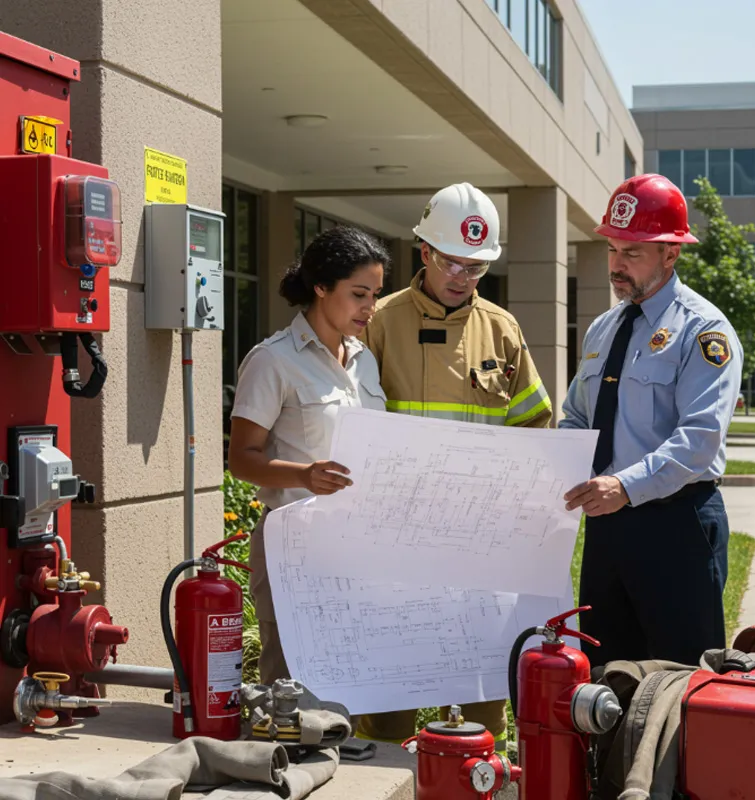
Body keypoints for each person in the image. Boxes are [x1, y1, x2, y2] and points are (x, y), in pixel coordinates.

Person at [356, 182, 553, 749]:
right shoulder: (380, 321)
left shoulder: (503, 329)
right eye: (452, 262)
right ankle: (386, 780)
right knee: (390, 698)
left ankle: (480, 779)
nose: (464, 277)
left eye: (477, 266)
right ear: (424, 251)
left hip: (478, 543)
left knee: (481, 693)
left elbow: (534, 426)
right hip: (396, 540)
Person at [559, 173, 742, 669]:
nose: (617, 265)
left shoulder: (703, 329)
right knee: (607, 675)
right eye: (612, 249)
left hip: (675, 524)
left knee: (681, 677)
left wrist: (623, 485)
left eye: (633, 253)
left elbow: (699, 440)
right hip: (607, 525)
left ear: (670, 253)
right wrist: (564, 463)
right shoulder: (603, 328)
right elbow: (577, 415)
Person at [227, 225, 390, 685]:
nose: (370, 308)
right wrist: (305, 474)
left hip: (356, 546)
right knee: (291, 687)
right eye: (359, 294)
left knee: (350, 685)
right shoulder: (273, 360)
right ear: (320, 286)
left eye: (375, 295)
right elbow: (241, 459)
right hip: (293, 547)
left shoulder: (364, 361)